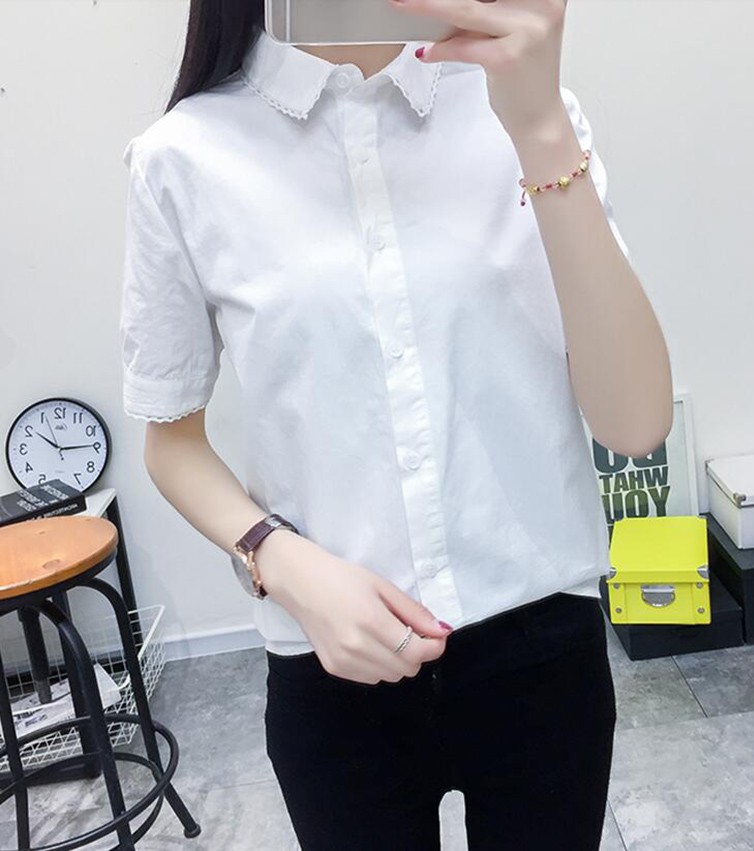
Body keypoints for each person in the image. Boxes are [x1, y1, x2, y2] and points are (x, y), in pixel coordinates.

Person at [119, 1, 673, 848]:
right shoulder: (185, 157)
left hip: (541, 651)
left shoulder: (523, 114)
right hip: (331, 663)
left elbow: (634, 423)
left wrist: (540, 129)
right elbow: (172, 440)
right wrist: (282, 560)